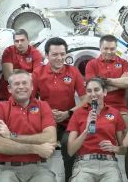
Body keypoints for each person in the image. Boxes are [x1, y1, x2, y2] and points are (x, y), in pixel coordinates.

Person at [32, 37, 86, 182]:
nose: (59, 58)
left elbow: (86, 99)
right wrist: (46, 113)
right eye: (55, 54)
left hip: (68, 121)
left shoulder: (73, 72)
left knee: (69, 143)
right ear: (47, 55)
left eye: (62, 54)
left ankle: (70, 178)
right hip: (44, 121)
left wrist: (68, 113)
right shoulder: (38, 73)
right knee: (37, 144)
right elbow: (29, 101)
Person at [85, 34, 128, 180]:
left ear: (116, 48)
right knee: (84, 137)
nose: (109, 52)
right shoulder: (91, 64)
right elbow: (93, 87)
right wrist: (117, 83)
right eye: (105, 48)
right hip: (97, 109)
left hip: (121, 111)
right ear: (100, 48)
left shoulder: (123, 63)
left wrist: (106, 81)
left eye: (112, 49)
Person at [0, 69, 57, 182]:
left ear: (32, 87)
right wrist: (36, 148)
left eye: (24, 83)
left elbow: (50, 138)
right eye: (16, 84)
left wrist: (11, 136)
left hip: (39, 168)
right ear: (9, 89)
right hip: (7, 169)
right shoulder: (0, 107)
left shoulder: (43, 106)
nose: (21, 86)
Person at [67, 77, 126, 182]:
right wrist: (86, 130)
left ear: (105, 92)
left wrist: (114, 148)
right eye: (89, 91)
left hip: (109, 165)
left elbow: (124, 149)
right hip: (84, 165)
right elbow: (70, 151)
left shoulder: (115, 113)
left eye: (96, 90)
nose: (93, 94)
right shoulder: (78, 113)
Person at [0, 29, 43, 100]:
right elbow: (7, 76)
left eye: (22, 40)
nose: (19, 43)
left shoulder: (35, 53)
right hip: (8, 96)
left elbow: (36, 76)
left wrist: (15, 71)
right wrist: (29, 74)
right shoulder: (8, 51)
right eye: (17, 41)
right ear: (14, 42)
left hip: (28, 96)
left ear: (28, 40)